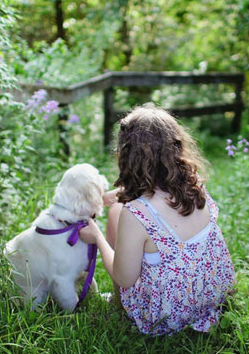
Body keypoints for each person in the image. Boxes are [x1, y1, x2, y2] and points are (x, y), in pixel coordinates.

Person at [79, 106, 235, 335]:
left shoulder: (135, 213)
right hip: (212, 295)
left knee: (115, 212)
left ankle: (118, 302)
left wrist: (98, 238)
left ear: (125, 156)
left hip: (165, 315)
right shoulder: (196, 186)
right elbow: (159, 200)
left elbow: (125, 278)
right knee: (120, 209)